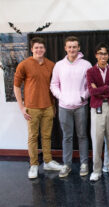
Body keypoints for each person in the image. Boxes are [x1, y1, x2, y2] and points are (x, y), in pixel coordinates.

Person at [14, 37, 62, 179]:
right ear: (31, 49)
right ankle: (34, 164)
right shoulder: (24, 64)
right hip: (32, 108)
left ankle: (47, 161)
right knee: (33, 137)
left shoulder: (51, 65)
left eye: (41, 47)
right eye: (36, 48)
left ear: (45, 49)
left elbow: (54, 86)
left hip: (48, 106)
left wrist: (53, 105)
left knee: (47, 136)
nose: (39, 50)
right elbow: (16, 86)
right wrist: (22, 107)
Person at [50, 36, 92, 178]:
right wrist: (61, 97)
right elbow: (54, 85)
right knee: (67, 137)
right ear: (65, 48)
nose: (72, 49)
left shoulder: (86, 65)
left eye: (74, 47)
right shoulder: (59, 65)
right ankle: (67, 164)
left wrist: (82, 97)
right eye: (69, 47)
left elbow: (90, 86)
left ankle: (84, 163)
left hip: (81, 106)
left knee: (82, 136)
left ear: (79, 48)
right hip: (64, 107)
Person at [86, 42, 109, 181]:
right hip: (97, 107)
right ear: (96, 55)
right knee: (97, 138)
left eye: (105, 53)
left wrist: (101, 88)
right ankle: (96, 170)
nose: (103, 56)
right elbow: (92, 91)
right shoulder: (90, 72)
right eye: (100, 53)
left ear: (108, 55)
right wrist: (108, 88)